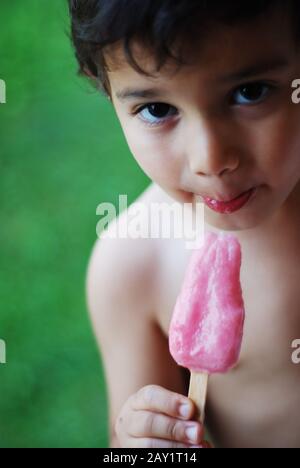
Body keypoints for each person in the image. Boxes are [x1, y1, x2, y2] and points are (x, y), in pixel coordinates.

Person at [68, 0, 300, 448]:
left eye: (250, 92)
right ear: (104, 88)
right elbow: (131, 440)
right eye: (157, 109)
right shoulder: (133, 269)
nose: (211, 159)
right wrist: (146, 444)